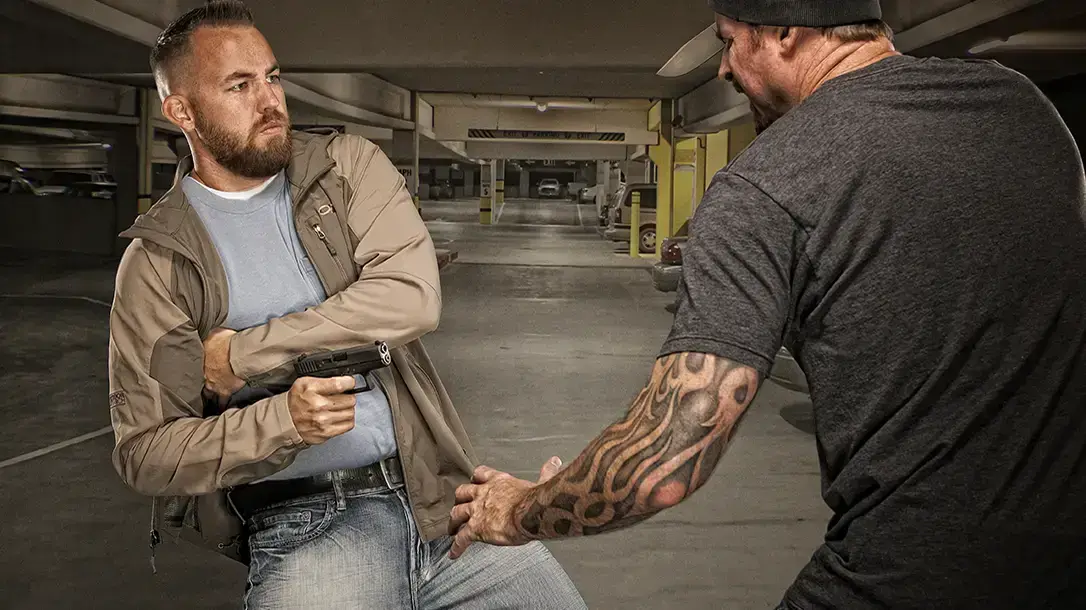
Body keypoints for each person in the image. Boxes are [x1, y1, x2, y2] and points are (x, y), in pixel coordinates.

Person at [448, 0, 1086, 608]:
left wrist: (519, 509)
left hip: (912, 574)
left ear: (785, 32)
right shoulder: (1019, 105)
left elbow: (663, 457)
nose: (722, 69)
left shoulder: (765, 185)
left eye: (729, 41)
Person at [106, 2, 586, 608]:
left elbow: (411, 298)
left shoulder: (346, 166)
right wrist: (282, 422)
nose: (270, 100)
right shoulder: (158, 262)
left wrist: (243, 355)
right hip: (307, 524)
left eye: (273, 77)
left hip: (438, 499)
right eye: (239, 86)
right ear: (182, 112)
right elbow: (147, 454)